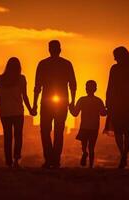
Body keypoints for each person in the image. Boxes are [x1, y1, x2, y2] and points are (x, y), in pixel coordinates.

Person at [32, 40, 77, 169]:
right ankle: (55, 159)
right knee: (58, 131)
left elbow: (37, 87)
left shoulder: (43, 64)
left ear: (49, 50)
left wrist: (35, 104)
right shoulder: (66, 64)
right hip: (61, 103)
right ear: (60, 49)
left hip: (46, 102)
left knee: (45, 131)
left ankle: (50, 158)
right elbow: (73, 85)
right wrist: (72, 102)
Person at [0, 57, 33, 168]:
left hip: (5, 113)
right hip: (18, 112)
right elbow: (25, 96)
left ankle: (8, 161)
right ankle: (16, 159)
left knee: (8, 137)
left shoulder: (1, 79)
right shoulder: (21, 79)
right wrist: (30, 110)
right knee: (18, 136)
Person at [70, 80, 106, 168]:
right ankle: (90, 166)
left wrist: (70, 108)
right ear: (95, 89)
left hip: (84, 127)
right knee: (91, 147)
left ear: (86, 89)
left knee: (84, 145)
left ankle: (84, 153)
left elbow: (75, 114)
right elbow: (103, 114)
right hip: (94, 127)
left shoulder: (82, 100)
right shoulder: (98, 101)